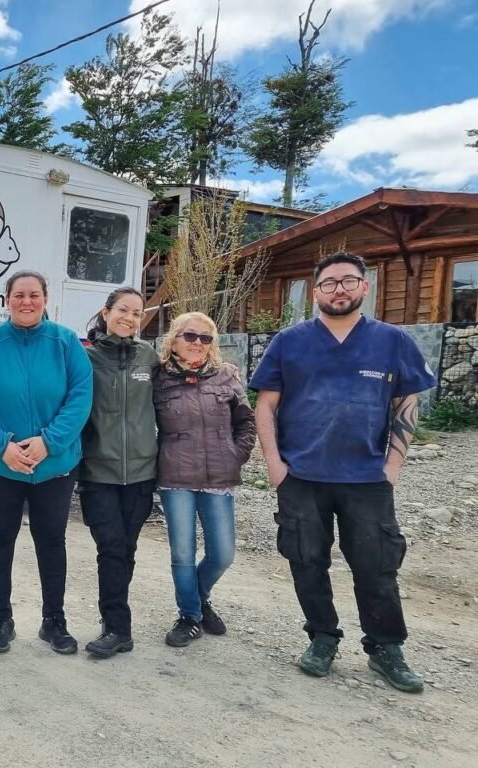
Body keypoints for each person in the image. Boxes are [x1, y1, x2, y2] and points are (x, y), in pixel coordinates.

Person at [251, 251, 436, 693]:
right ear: (315, 292)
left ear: (364, 287)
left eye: (349, 281)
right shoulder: (289, 342)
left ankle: (385, 647)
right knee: (306, 561)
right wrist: (275, 465)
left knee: (376, 566)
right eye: (329, 283)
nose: (339, 289)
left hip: (367, 479)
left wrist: (392, 465)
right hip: (301, 477)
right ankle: (322, 638)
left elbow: (406, 403)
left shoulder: (392, 341)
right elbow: (266, 405)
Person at [0, 270, 93, 654]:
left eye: (34, 294)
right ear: (7, 300)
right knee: (0, 539)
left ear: (46, 299)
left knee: (51, 540)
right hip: (0, 464)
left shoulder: (66, 343)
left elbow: (81, 396)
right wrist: (2, 445)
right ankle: (1, 620)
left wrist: (49, 442)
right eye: (19, 295)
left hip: (55, 464)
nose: (27, 301)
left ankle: (54, 621)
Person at [154, 312, 255, 649]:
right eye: (190, 336)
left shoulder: (226, 376)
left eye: (205, 338)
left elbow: (246, 422)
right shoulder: (158, 378)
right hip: (176, 477)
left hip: (218, 477)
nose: (197, 343)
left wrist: (235, 454)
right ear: (174, 340)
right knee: (182, 553)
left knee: (223, 553)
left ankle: (199, 597)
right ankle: (190, 616)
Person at [79, 287, 159, 658]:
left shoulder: (149, 356)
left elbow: (180, 383)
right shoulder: (86, 357)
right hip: (98, 473)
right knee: (111, 547)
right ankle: (116, 627)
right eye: (123, 310)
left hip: (142, 473)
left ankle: (116, 624)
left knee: (126, 548)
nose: (129, 318)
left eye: (137, 313)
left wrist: (222, 369)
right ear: (106, 312)